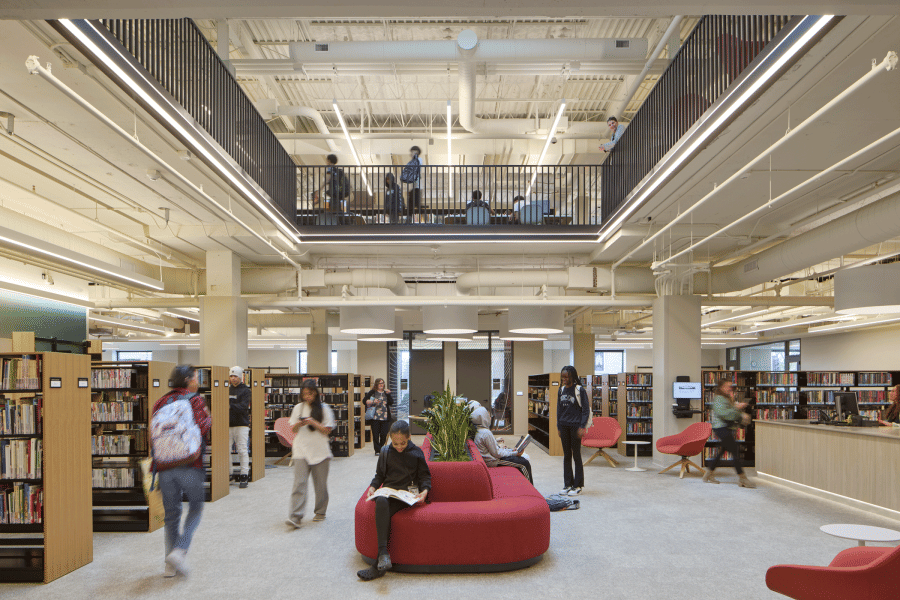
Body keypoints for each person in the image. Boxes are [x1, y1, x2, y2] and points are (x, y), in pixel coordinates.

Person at [151, 364, 211, 577]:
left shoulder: (160, 401)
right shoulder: (195, 400)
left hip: (165, 466)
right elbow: (203, 428)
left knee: (171, 515)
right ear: (187, 380)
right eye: (196, 377)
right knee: (195, 508)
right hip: (190, 465)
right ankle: (180, 550)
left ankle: (169, 565)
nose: (198, 381)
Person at [358, 420, 431, 581]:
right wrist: (372, 487)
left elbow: (425, 476)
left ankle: (379, 562)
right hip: (389, 492)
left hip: (406, 496)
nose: (399, 446)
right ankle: (383, 554)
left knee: (383, 513)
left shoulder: (416, 453)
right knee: (382, 501)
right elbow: (380, 476)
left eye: (403, 443)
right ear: (390, 437)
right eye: (395, 443)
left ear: (409, 437)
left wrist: (425, 491)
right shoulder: (385, 452)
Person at [286, 380, 335, 528]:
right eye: (305, 394)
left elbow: (327, 430)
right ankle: (295, 516)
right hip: (301, 450)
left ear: (316, 393)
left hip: (320, 451)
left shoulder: (324, 408)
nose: (307, 396)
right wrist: (299, 424)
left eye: (310, 393)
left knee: (320, 485)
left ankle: (320, 511)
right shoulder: (298, 408)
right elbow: (292, 430)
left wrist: (313, 422)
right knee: (299, 484)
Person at [704, 379, 755, 488]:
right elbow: (724, 413)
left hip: (727, 427)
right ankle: (743, 478)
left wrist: (739, 411)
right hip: (721, 427)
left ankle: (709, 473)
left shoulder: (728, 398)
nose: (730, 388)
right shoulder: (718, 399)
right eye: (727, 386)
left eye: (730, 386)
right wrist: (738, 409)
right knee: (735, 451)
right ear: (721, 387)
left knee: (722, 450)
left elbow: (731, 411)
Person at [471, 405, 533, 483]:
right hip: (494, 461)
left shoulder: (479, 430)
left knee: (517, 456)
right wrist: (514, 453)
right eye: (488, 416)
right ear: (483, 418)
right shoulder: (486, 433)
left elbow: (493, 449)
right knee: (524, 463)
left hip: (492, 458)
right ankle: (530, 487)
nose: (490, 418)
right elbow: (498, 454)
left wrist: (510, 451)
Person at [557, 365, 590, 496]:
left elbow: (586, 410)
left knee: (576, 455)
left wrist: (582, 426)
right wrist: (558, 427)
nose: (564, 379)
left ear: (572, 376)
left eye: (566, 376)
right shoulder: (561, 390)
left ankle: (578, 485)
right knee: (566, 456)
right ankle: (567, 484)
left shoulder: (579, 390)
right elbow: (559, 410)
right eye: (562, 376)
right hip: (564, 426)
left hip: (575, 427)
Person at [227, 366, 251, 489]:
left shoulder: (246, 390)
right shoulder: (226, 389)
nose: (233, 378)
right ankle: (229, 475)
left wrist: (230, 405)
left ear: (240, 377)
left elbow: (243, 407)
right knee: (226, 451)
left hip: (241, 424)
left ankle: (244, 475)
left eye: (235, 376)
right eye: (231, 376)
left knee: (242, 450)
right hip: (228, 425)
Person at [364, 378, 394, 454]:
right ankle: (377, 450)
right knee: (375, 434)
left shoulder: (386, 392)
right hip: (375, 417)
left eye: (382, 383)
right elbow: (364, 400)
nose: (381, 385)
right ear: (376, 384)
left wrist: (389, 394)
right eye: (380, 383)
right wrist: (373, 401)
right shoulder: (372, 392)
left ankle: (381, 447)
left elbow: (391, 402)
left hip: (385, 417)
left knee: (384, 434)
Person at [402, 146, 424, 214]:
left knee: (416, 204)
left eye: (412, 152)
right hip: (414, 187)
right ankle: (409, 220)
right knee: (410, 205)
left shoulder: (419, 159)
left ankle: (425, 218)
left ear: (416, 152)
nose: (411, 154)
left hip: (417, 187)